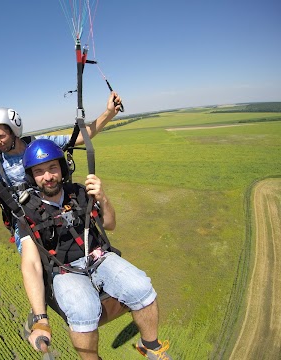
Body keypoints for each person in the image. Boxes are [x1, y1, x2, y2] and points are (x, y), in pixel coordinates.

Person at [18, 139, 172, 360]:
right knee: (83, 311)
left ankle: (150, 346)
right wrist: (41, 318)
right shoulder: (27, 213)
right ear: (32, 177)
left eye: (52, 168)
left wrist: (103, 198)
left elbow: (110, 224)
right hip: (65, 270)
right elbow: (31, 264)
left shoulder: (80, 193)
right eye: (39, 171)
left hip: (99, 257)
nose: (48, 176)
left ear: (62, 169)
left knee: (141, 287)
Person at [0, 92, 123, 252]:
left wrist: (109, 113)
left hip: (56, 208)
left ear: (14, 131)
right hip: (27, 221)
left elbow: (79, 138)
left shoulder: (40, 144)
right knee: (37, 260)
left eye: (1, 136)